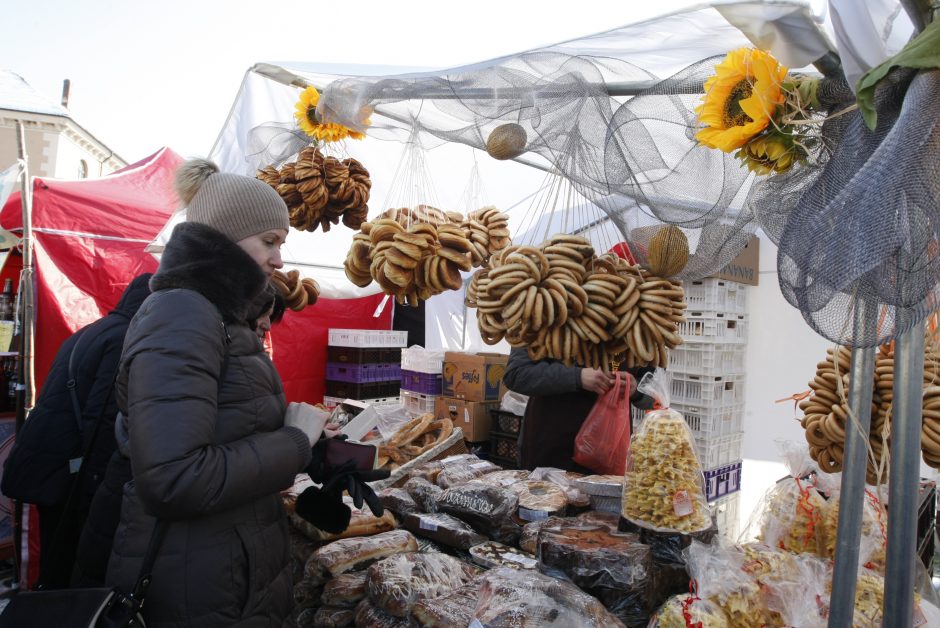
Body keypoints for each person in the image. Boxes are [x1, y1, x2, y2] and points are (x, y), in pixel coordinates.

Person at [104, 159, 333, 627]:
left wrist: (319, 452)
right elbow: (174, 478)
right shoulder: (181, 315)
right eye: (269, 241)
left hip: (230, 567)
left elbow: (229, 431)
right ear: (224, 239)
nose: (279, 259)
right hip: (196, 581)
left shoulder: (226, 320)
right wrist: (294, 443)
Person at [0, 272, 152, 588]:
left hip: (49, 463)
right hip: (68, 474)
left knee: (57, 560)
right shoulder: (124, 339)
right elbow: (102, 421)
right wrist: (95, 493)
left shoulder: (95, 330)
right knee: (67, 567)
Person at [502, 346, 655, 472]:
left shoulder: (641, 325)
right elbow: (516, 374)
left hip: (608, 455)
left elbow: (655, 393)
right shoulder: (542, 314)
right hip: (550, 452)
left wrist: (635, 390)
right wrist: (577, 377)